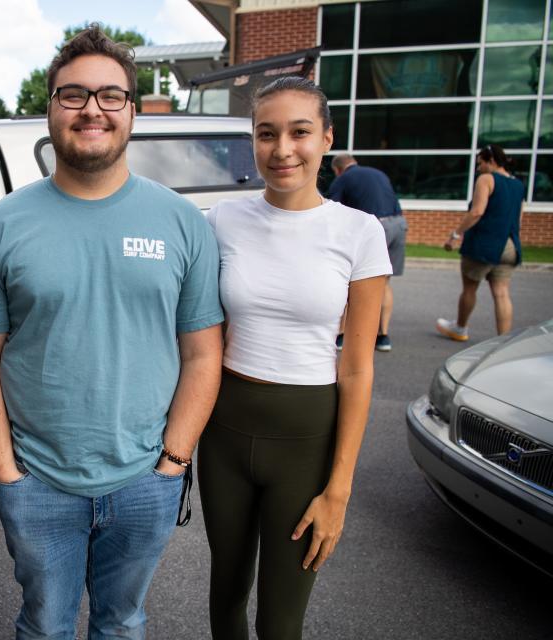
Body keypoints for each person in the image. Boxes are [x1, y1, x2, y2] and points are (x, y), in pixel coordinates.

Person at [0, 24, 224, 640]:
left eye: (111, 95)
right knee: (45, 626)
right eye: (73, 94)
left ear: (132, 111)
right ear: (50, 108)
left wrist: (173, 462)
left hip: (145, 480)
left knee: (123, 623)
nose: (92, 109)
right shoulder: (1, 228)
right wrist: (7, 473)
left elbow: (202, 353)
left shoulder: (183, 223)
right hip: (37, 481)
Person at [199, 77, 391, 640]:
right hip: (226, 430)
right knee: (225, 596)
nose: (282, 149)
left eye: (299, 132)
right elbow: (202, 334)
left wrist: (339, 490)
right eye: (267, 134)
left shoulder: (358, 232)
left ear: (326, 138)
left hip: (307, 439)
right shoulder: (221, 221)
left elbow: (356, 369)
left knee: (281, 622)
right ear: (253, 143)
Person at [436, 144, 525, 341]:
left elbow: (477, 211)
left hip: (484, 243)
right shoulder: (518, 185)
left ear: (491, 161)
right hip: (509, 244)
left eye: (480, 163)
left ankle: (460, 328)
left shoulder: (487, 179)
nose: (478, 168)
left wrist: (456, 234)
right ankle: (503, 340)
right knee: (502, 293)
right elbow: (518, 218)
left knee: (469, 288)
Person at [328, 153, 406, 352]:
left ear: (337, 169)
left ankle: (342, 334)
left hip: (375, 227)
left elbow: (331, 211)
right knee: (384, 282)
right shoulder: (378, 173)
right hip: (398, 224)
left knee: (347, 280)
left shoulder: (343, 179)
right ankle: (383, 336)